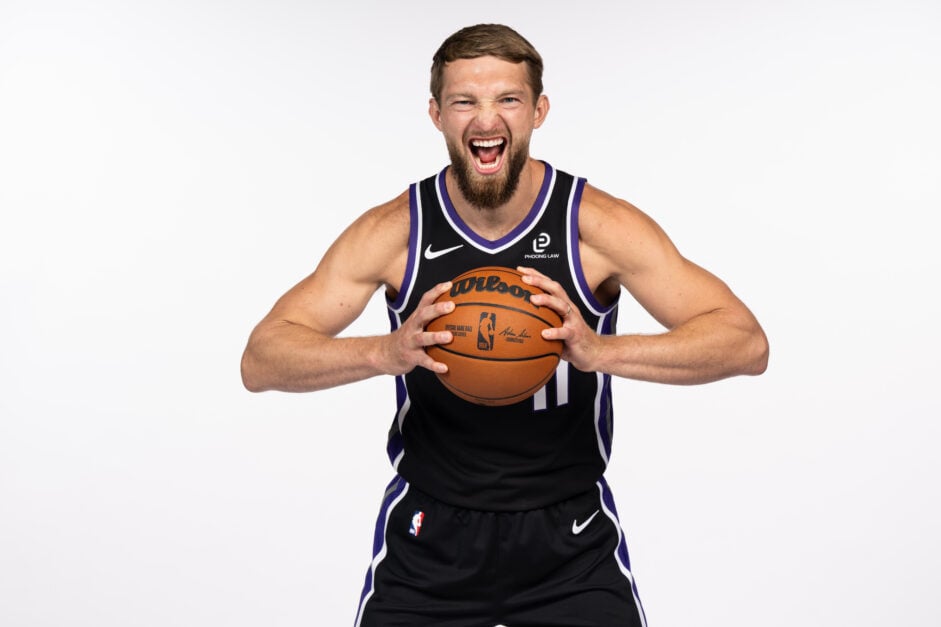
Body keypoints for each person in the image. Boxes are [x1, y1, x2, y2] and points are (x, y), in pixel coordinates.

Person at [241, 23, 769, 627]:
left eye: (507, 99)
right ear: (437, 114)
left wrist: (600, 352)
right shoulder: (396, 232)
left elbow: (744, 341)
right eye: (464, 100)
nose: (485, 119)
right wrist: (386, 350)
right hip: (428, 536)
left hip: (569, 539)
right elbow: (261, 358)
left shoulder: (595, 226)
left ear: (538, 111)